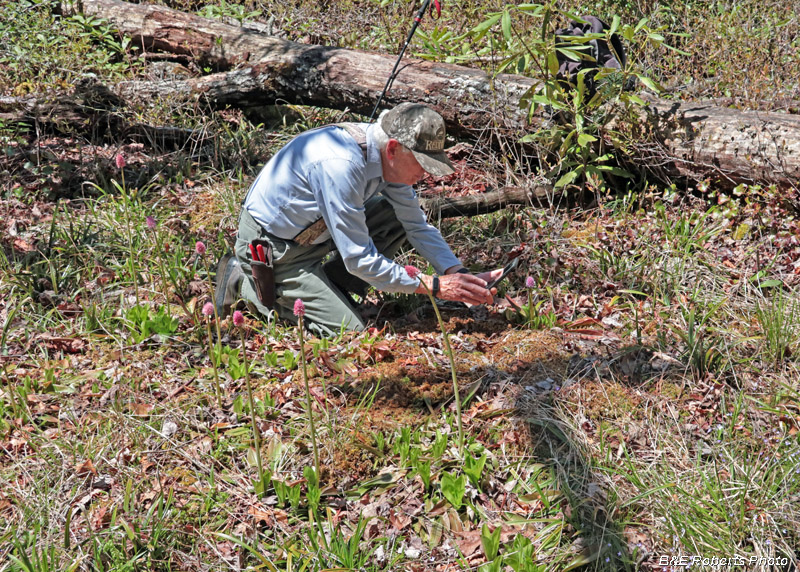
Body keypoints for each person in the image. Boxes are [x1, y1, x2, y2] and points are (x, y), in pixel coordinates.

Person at [215, 102, 502, 336]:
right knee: (351, 332)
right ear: (393, 148)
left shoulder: (386, 159)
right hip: (277, 252)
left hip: (318, 235)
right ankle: (245, 282)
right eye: (421, 164)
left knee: (393, 216)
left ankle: (330, 285)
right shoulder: (341, 165)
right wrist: (435, 286)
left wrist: (456, 272)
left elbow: (416, 225)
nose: (424, 175)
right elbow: (359, 259)